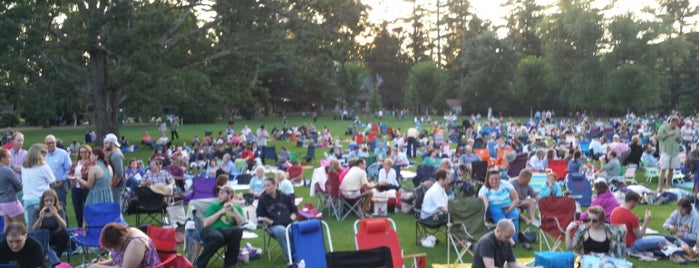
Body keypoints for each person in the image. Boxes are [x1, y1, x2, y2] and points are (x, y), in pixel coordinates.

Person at [196, 185, 244, 268]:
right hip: (210, 231)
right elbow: (205, 223)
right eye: (219, 193)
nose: (219, 196)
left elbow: (242, 223)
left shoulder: (237, 207)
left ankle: (230, 264)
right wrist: (222, 211)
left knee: (237, 231)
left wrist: (233, 210)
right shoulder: (215, 205)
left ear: (230, 195)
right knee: (217, 236)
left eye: (222, 193)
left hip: (226, 232)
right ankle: (198, 265)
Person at [257, 178, 298, 263]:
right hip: (273, 226)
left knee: (296, 227)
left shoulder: (284, 196)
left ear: (275, 185)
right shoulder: (262, 199)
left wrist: (291, 220)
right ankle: (291, 257)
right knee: (281, 230)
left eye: (268, 185)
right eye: (264, 186)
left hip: (288, 222)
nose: (265, 188)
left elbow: (294, 211)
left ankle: (301, 253)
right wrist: (273, 222)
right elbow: (260, 216)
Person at [91, 223, 160, 268]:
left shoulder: (136, 243)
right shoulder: (126, 233)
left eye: (113, 247)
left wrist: (97, 267)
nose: (114, 250)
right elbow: (117, 260)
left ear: (121, 239)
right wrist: (100, 264)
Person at [478, 170, 521, 243]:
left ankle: (512, 237)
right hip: (494, 207)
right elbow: (485, 204)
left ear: (499, 178)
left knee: (514, 215)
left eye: (496, 179)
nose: (494, 181)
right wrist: (483, 214)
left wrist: (510, 208)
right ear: (488, 179)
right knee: (501, 219)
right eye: (492, 179)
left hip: (508, 205)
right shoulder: (484, 189)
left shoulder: (506, 184)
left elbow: (516, 199)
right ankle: (508, 240)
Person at [21, 144, 56, 228]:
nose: (46, 154)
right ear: (39, 153)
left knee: (28, 224)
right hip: (40, 198)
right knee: (41, 224)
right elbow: (53, 182)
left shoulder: (24, 166)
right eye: (44, 152)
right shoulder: (44, 167)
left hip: (27, 198)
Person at [32, 189, 69, 265]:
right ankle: (46, 256)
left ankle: (56, 256)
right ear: (43, 201)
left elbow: (64, 226)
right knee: (37, 236)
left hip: (55, 236)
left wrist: (56, 215)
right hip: (42, 237)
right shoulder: (37, 211)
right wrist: (40, 218)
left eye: (51, 201)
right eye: (46, 201)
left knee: (65, 234)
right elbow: (34, 229)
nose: (49, 203)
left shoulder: (59, 210)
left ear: (55, 201)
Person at [44, 135, 72, 212]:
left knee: (60, 207)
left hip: (59, 185)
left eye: (53, 143)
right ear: (45, 144)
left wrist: (62, 181)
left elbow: (69, 169)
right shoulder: (43, 155)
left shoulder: (63, 154)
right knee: (47, 208)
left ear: (56, 143)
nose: (51, 145)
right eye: (48, 143)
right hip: (46, 185)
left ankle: (64, 223)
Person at [69, 144, 92, 227]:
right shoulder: (75, 163)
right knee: (77, 208)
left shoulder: (91, 163)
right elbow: (70, 174)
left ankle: (87, 226)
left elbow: (87, 174)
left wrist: (78, 175)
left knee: (87, 208)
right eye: (81, 152)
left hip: (86, 187)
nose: (83, 154)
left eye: (85, 152)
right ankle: (80, 226)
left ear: (89, 153)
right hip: (75, 188)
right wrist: (75, 177)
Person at [0, 148, 24, 230]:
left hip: (2, 202)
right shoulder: (7, 171)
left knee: (7, 226)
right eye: (9, 157)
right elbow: (19, 185)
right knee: (21, 225)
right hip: (11, 201)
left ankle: (4, 242)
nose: (11, 159)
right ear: (3, 159)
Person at [657, 116, 682, 191]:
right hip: (665, 151)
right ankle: (660, 186)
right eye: (676, 123)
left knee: (671, 169)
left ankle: (668, 185)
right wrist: (668, 134)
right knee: (663, 169)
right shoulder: (663, 127)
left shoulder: (678, 129)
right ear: (672, 122)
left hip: (675, 151)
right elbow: (659, 137)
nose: (676, 125)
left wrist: (679, 139)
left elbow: (680, 140)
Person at [104, 133, 125, 209]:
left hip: (117, 187)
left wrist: (111, 186)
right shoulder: (112, 154)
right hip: (113, 186)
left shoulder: (116, 155)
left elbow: (119, 173)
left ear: (113, 144)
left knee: (115, 210)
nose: (104, 145)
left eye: (106, 143)